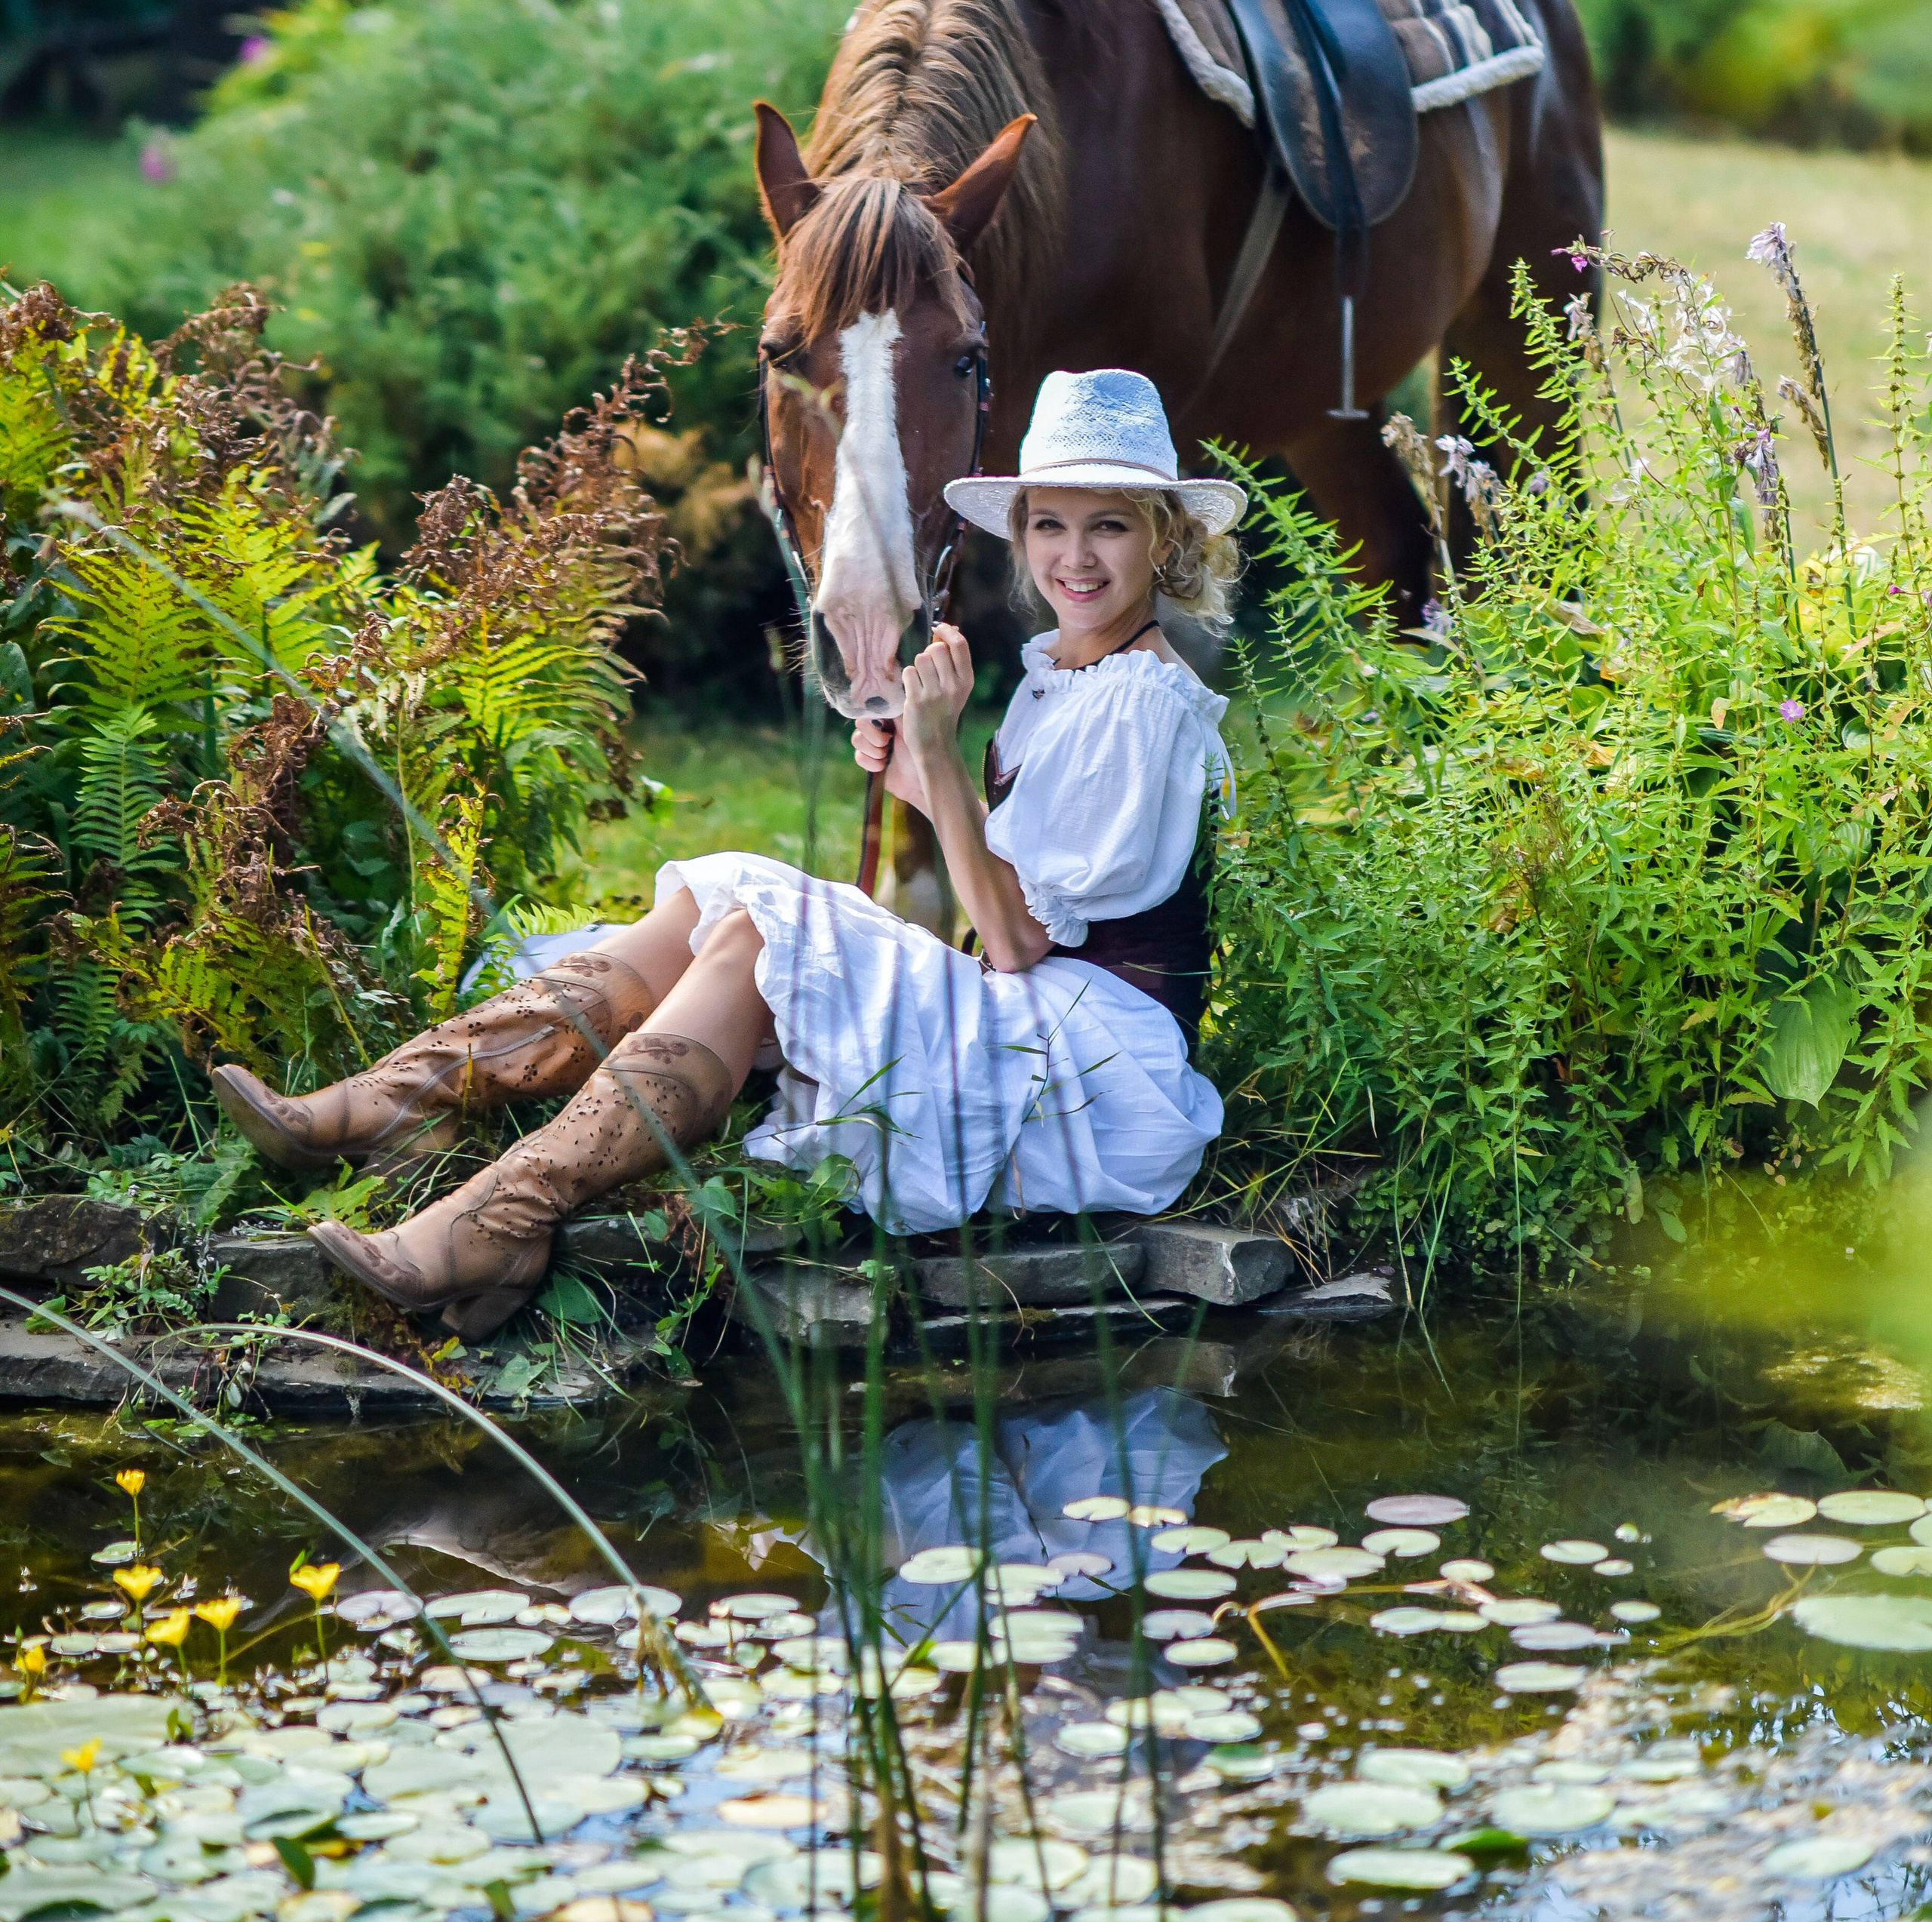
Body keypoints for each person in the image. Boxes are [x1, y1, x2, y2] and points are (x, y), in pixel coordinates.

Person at [211, 369, 1244, 1333]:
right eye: (1050, 525)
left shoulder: (1144, 702)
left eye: (1109, 527)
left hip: (1095, 1065)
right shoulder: (1068, 671)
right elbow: (1020, 879)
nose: (1076, 557)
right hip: (1031, 1007)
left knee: (759, 933)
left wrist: (936, 756)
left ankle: (502, 1218)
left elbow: (1018, 936)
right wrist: (916, 775)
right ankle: (390, 1103)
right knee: (725, 898)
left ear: (1164, 542)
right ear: (1020, 539)